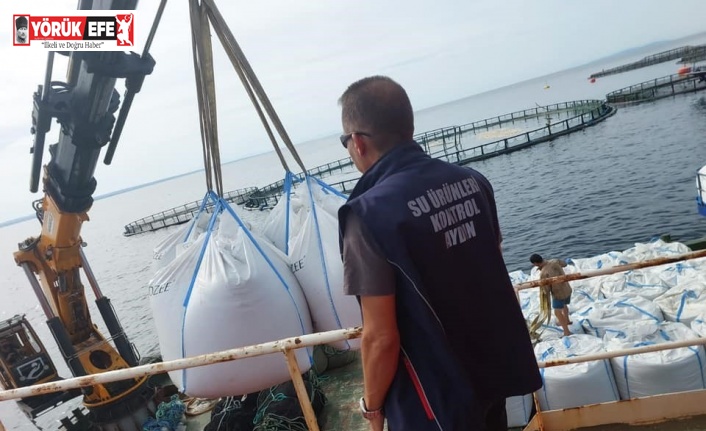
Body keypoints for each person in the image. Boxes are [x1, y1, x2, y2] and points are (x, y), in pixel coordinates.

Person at [338, 76, 542, 431]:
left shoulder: (367, 215)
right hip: (493, 372)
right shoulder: (472, 181)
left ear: (357, 142)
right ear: (408, 126)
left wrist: (372, 408)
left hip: (432, 400)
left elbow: (381, 337)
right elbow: (487, 262)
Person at [529, 253, 573, 336]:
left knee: (557, 312)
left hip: (558, 293)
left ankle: (566, 332)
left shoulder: (543, 273)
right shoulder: (555, 261)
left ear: (535, 263)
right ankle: (567, 320)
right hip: (567, 288)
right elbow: (565, 264)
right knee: (564, 305)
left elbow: (546, 290)